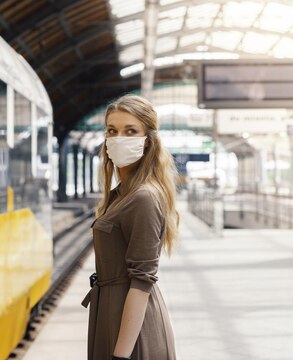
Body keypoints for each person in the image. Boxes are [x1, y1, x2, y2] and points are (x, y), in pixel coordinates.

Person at [81, 94, 179, 360]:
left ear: (148, 141)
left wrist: (120, 356)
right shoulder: (122, 194)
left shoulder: (144, 197)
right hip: (111, 313)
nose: (119, 138)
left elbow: (141, 281)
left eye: (130, 131)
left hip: (130, 326)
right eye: (112, 130)